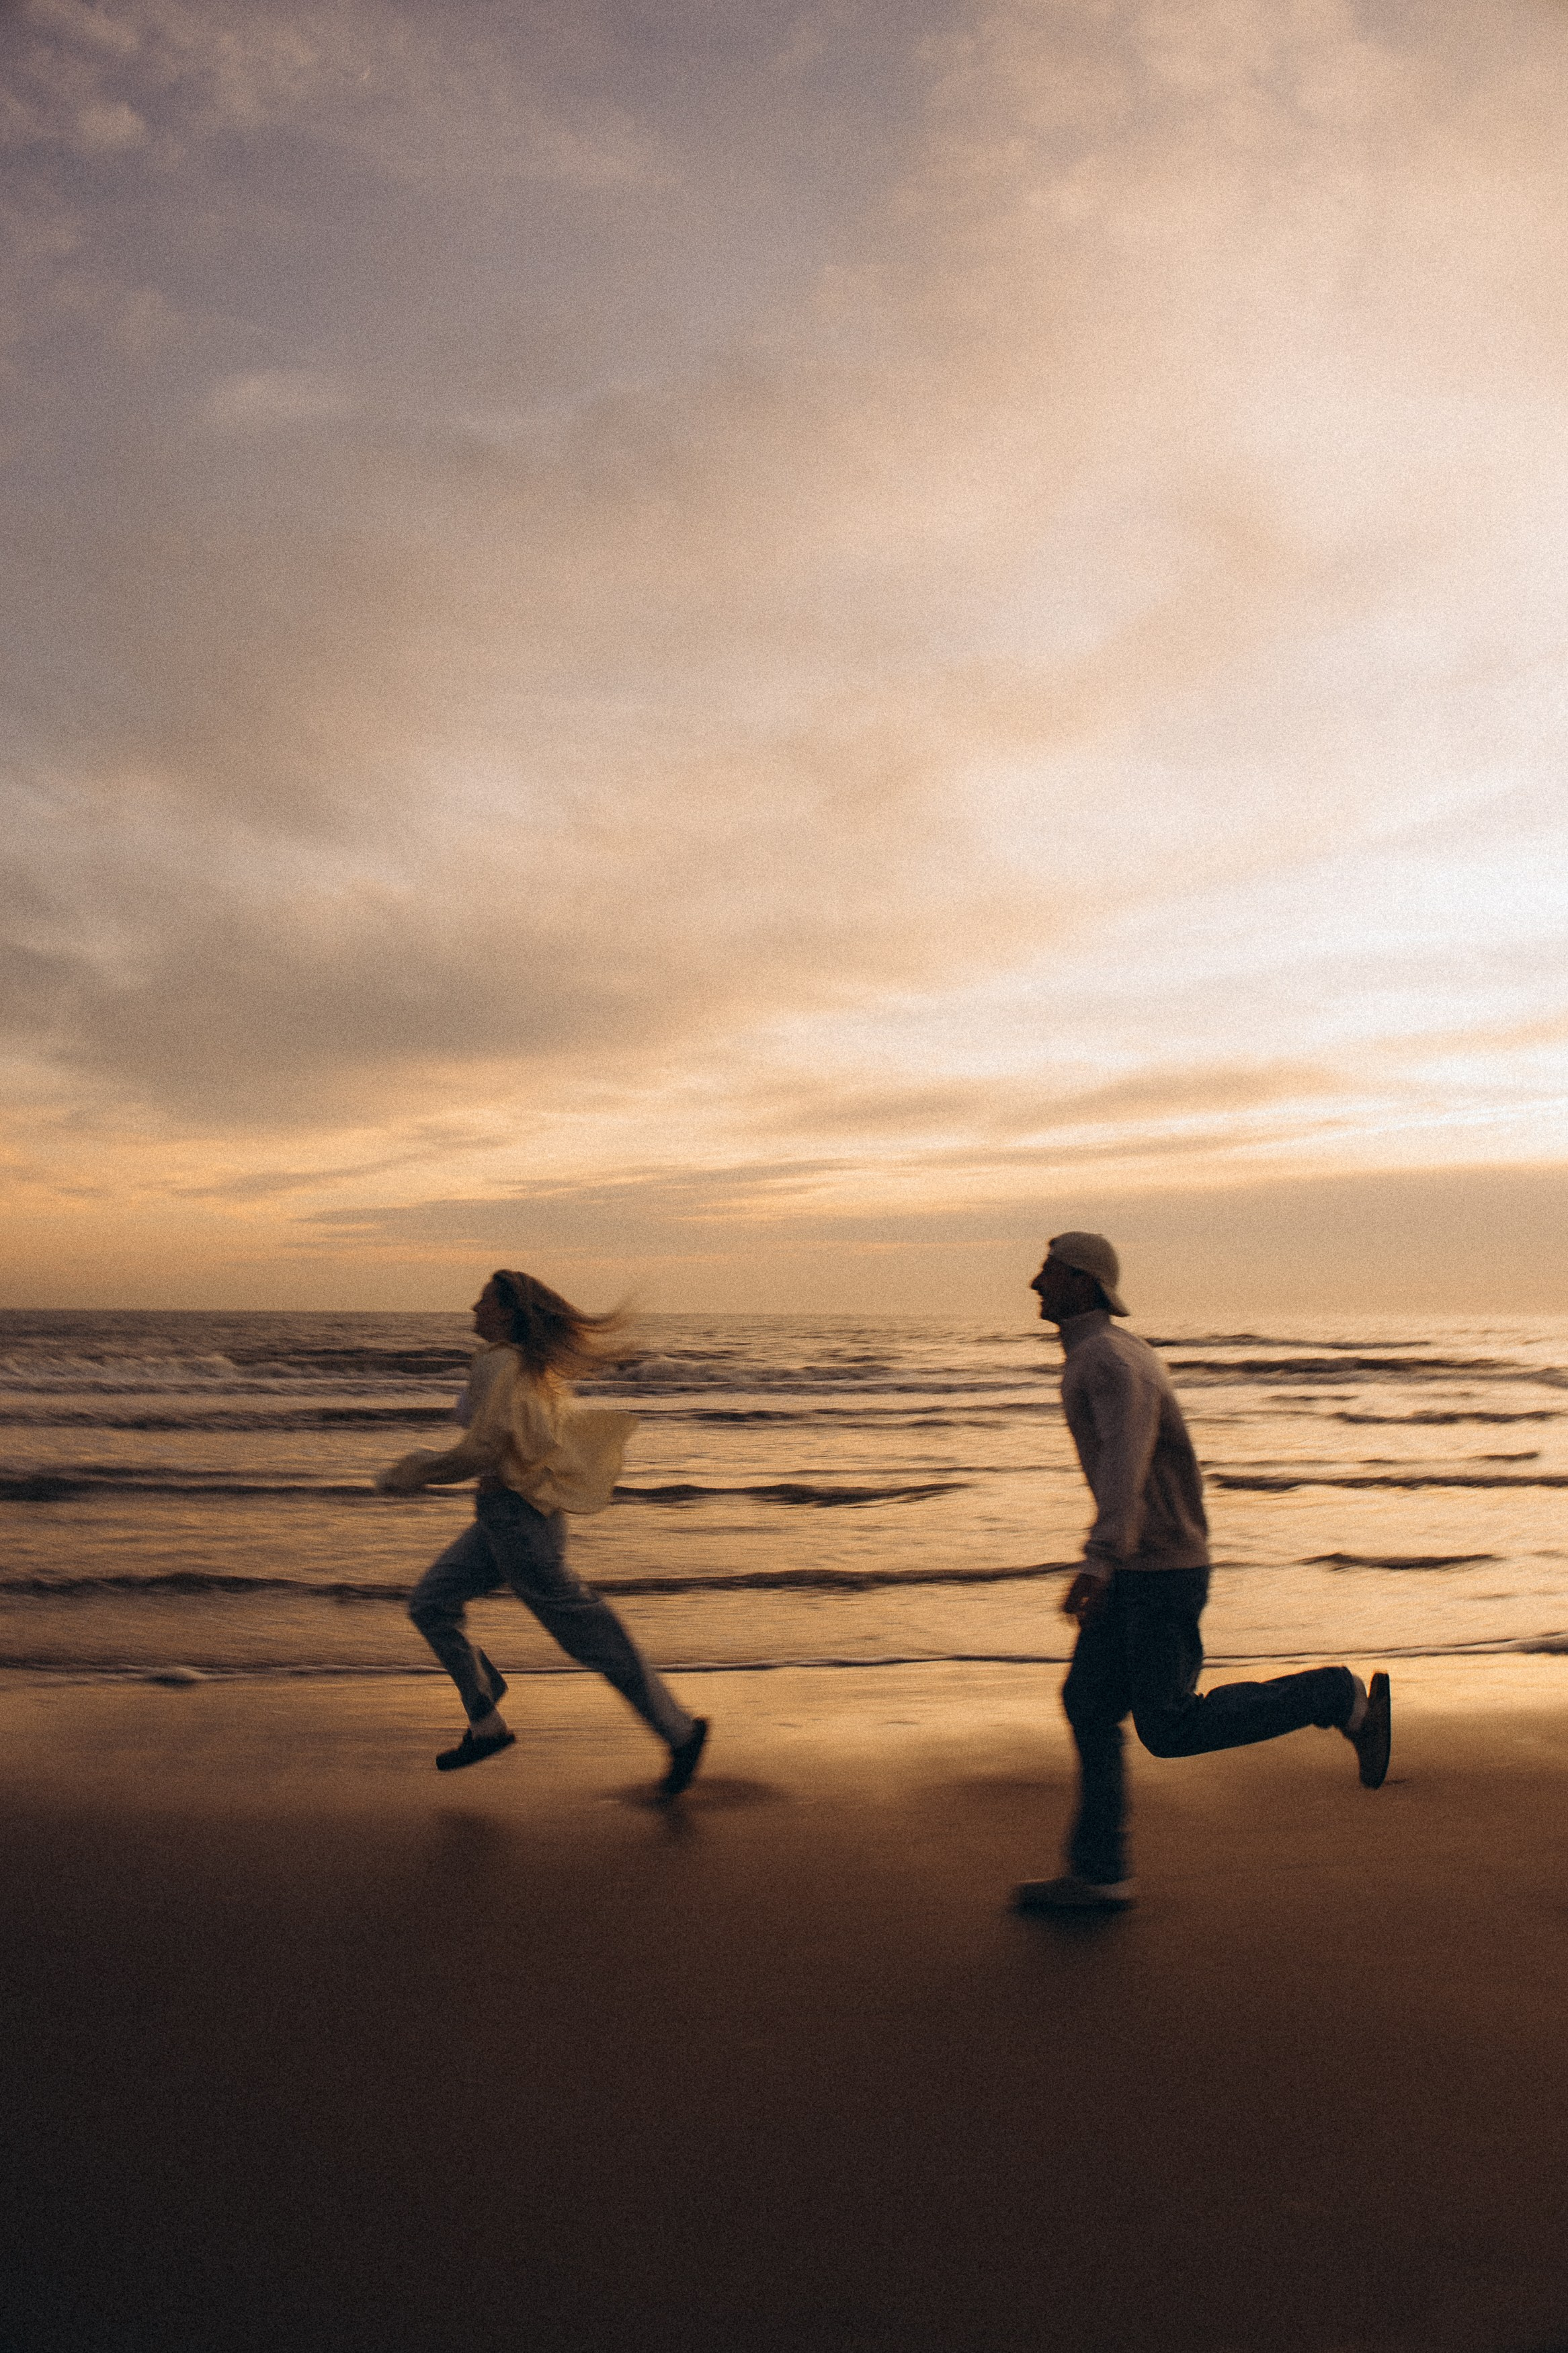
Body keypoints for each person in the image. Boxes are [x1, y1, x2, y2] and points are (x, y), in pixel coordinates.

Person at [1014, 1232, 1389, 1915]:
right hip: (1141, 1565)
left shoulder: (1109, 1361)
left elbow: (1124, 1466)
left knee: (1169, 1725)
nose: (1032, 1283)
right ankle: (1101, 1871)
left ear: (1081, 1282)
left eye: (1047, 1271)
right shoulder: (1102, 1354)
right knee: (1088, 1702)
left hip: (1156, 1571)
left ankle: (1336, 1696)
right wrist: (1108, 1560)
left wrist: (1098, 1560)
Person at [376, 1270, 708, 1796]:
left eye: (483, 1300)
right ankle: (486, 1721)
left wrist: (413, 1471)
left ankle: (681, 1732)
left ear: (506, 1312)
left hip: (518, 1523)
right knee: (431, 1604)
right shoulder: (520, 1367)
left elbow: (484, 1447)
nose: (472, 1307)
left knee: (592, 1636)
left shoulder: (503, 1364)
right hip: (505, 1520)